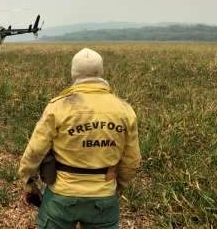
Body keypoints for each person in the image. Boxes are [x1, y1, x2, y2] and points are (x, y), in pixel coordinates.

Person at [18, 48, 141, 229]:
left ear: (73, 73)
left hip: (61, 196)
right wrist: (116, 187)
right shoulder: (124, 109)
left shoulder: (58, 106)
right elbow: (132, 160)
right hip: (104, 196)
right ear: (101, 72)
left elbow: (35, 151)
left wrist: (28, 180)